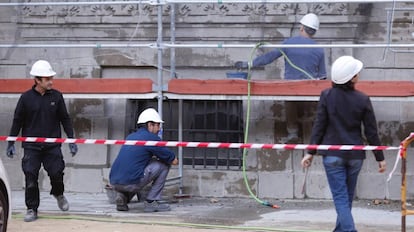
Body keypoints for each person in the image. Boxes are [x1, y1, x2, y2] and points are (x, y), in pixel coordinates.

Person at [301, 55, 386, 232]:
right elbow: (371, 132)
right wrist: (380, 157)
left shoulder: (326, 96)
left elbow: (319, 125)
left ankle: (346, 230)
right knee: (345, 198)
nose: (359, 74)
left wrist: (310, 152)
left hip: (332, 155)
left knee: (341, 199)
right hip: (355, 156)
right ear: (352, 78)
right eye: (357, 73)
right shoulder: (362, 99)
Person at [235, 13, 326, 143]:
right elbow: (322, 76)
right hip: (310, 89)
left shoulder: (289, 43)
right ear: (314, 31)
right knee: (313, 108)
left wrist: (248, 64)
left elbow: (269, 57)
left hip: (291, 87)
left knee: (290, 103)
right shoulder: (319, 49)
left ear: (301, 28)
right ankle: (316, 136)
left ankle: (292, 132)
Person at [6, 60, 78, 222]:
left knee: (56, 173)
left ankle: (58, 193)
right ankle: (32, 209)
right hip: (32, 147)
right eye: (47, 79)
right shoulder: (25, 98)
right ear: (37, 80)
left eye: (51, 77)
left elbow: (65, 119)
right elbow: (17, 120)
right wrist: (11, 142)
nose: (51, 81)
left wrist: (71, 138)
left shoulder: (57, 96)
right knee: (30, 177)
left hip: (52, 146)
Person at [109, 108, 178, 213]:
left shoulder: (130, 137)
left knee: (136, 170)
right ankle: (151, 201)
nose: (159, 129)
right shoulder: (151, 138)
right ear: (150, 125)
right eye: (158, 125)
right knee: (164, 165)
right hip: (132, 181)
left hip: (114, 182)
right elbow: (173, 160)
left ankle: (123, 196)